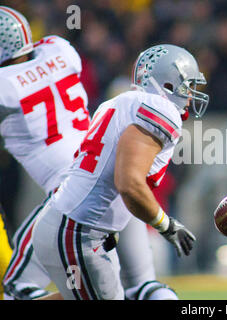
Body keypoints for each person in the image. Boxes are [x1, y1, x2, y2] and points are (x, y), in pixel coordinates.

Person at [0, 6, 178, 300]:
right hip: (115, 180)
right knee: (145, 288)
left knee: (16, 292)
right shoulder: (60, 50)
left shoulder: (5, 87)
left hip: (69, 198)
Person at [31, 43, 208, 300]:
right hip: (78, 232)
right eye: (187, 86)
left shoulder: (119, 103)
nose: (190, 96)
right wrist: (166, 225)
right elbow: (129, 184)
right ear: (167, 84)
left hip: (70, 226)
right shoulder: (160, 109)